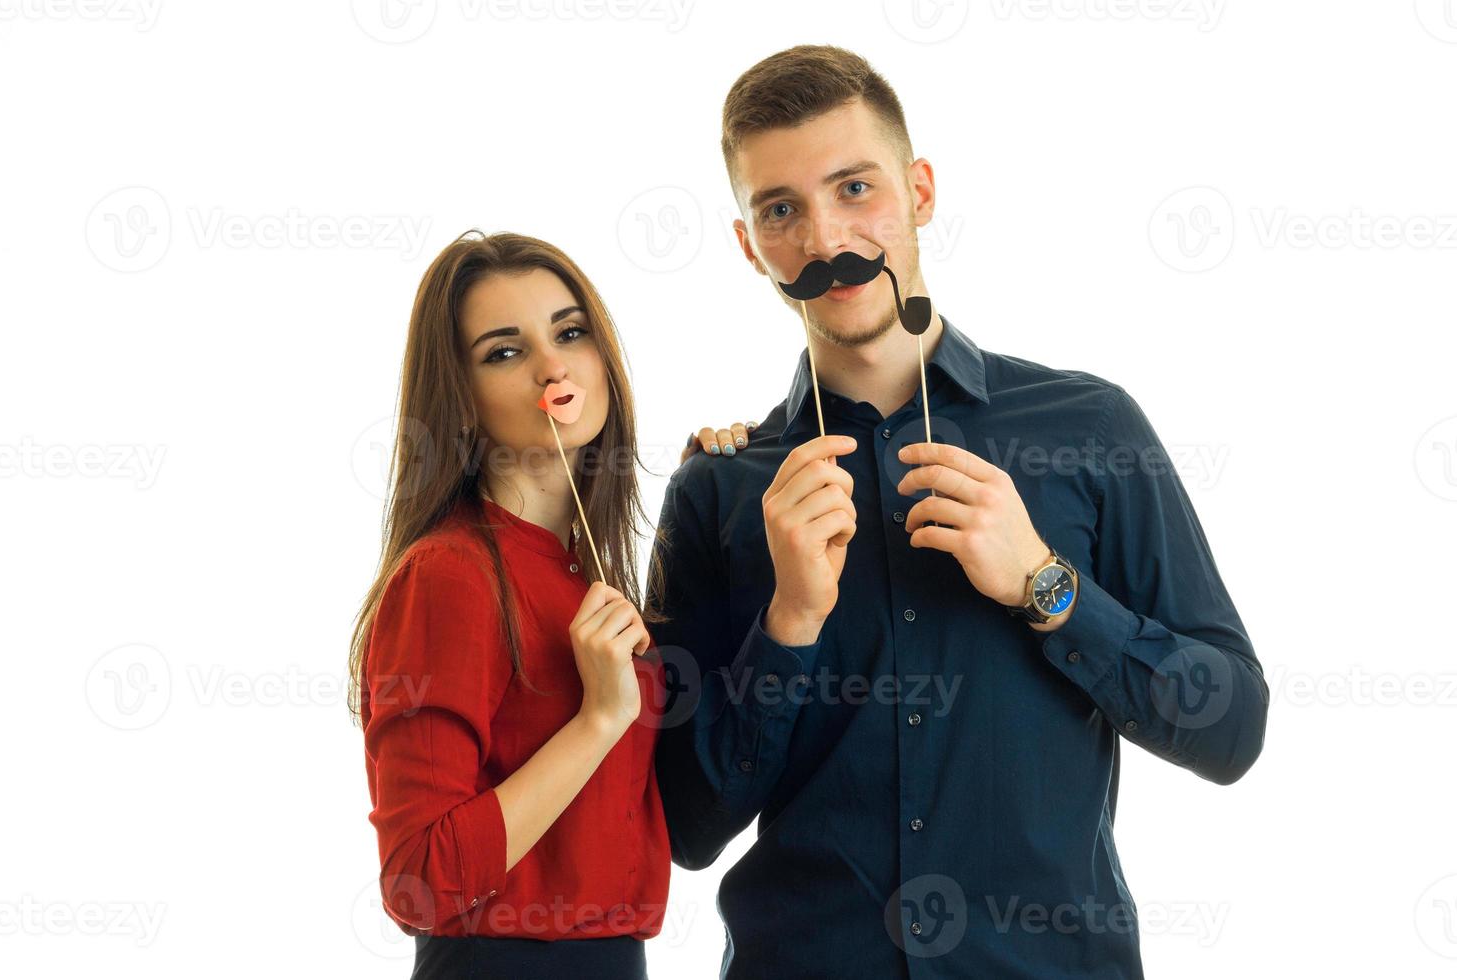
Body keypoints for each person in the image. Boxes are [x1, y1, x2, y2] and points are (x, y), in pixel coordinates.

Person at [647, 45, 1269, 978]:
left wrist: (1047, 586)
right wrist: (790, 624)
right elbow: (684, 827)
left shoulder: (1092, 427)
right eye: (781, 210)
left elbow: (1231, 731)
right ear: (749, 245)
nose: (825, 240)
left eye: (855, 188)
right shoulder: (721, 489)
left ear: (921, 190)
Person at [348, 229, 743, 979]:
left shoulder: (589, 577)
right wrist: (597, 719)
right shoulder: (448, 576)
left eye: (569, 332)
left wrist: (723, 513)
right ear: (461, 397)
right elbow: (420, 878)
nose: (552, 366)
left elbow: (683, 823)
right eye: (505, 351)